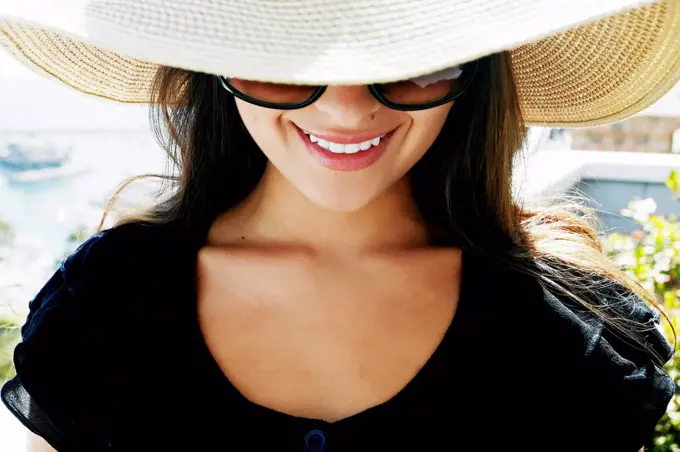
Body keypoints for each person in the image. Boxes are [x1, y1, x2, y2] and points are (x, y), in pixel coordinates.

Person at [1, 0, 679, 451]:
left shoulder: (568, 340)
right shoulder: (105, 309)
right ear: (217, 67)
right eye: (287, 57)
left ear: (476, 73)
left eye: (407, 61)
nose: (348, 110)